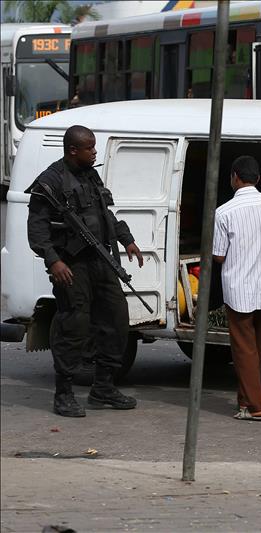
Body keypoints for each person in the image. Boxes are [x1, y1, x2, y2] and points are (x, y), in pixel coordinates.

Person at [27, 125, 144, 417]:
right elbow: (37, 230)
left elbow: (105, 214)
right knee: (74, 325)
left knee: (117, 320)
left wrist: (126, 239)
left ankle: (103, 388)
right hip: (71, 264)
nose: (95, 151)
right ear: (72, 150)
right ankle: (63, 394)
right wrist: (54, 261)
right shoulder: (49, 183)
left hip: (101, 259)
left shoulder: (91, 174)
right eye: (90, 148)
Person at [212, 155, 261, 421]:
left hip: (240, 288)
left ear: (234, 177)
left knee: (243, 350)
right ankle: (244, 402)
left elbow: (218, 256)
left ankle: (256, 406)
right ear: (258, 179)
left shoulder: (224, 212)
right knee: (255, 348)